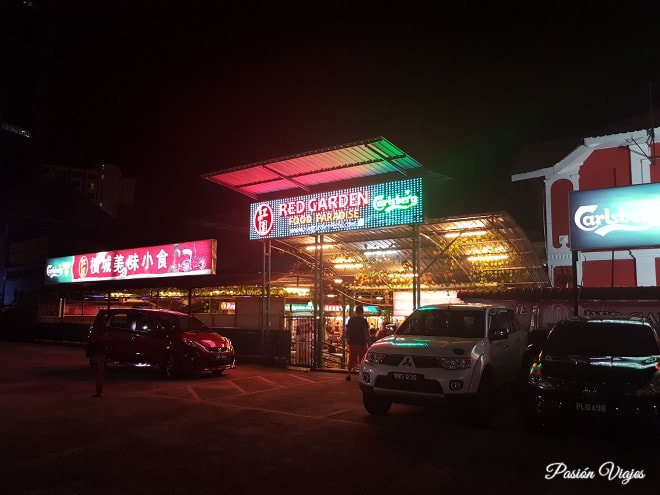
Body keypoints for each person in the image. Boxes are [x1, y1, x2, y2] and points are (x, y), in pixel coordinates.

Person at [344, 305, 369, 381]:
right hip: (362, 342)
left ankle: (348, 374)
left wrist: (348, 339)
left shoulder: (351, 320)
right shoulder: (364, 320)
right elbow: (366, 332)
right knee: (362, 359)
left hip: (352, 342)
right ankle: (361, 375)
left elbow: (347, 331)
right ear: (362, 312)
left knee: (351, 358)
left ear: (355, 311)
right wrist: (368, 340)